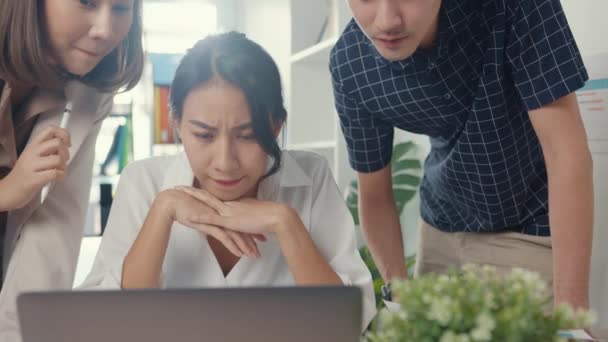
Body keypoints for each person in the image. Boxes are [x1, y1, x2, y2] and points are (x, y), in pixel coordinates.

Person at [81, 32, 376, 330]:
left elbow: (349, 322)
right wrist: (163, 210)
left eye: (247, 136)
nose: (225, 162)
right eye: (204, 135)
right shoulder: (144, 180)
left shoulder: (311, 177)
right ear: (178, 124)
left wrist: (285, 223)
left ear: (275, 127)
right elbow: (114, 320)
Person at [330, 0, 593, 310]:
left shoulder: (514, 6)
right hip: (440, 235)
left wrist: (571, 310)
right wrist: (399, 292)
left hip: (528, 228)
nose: (387, 21)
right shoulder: (349, 64)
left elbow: (565, 153)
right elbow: (374, 194)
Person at [0, 0, 144, 338]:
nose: (106, 30)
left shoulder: (88, 93)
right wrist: (7, 192)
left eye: (122, 8)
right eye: (87, 2)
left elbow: (51, 236)